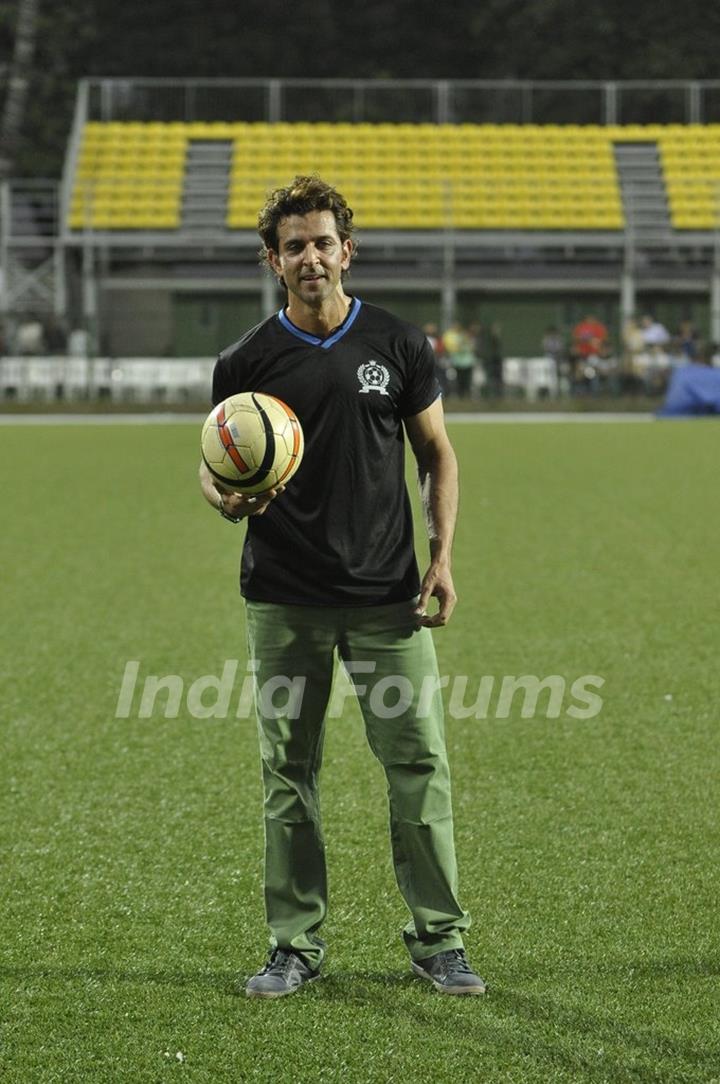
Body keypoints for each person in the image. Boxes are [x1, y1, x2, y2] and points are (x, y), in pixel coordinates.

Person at [198, 176, 484, 999]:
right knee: (288, 772)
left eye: (324, 242)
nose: (311, 257)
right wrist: (231, 500)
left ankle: (441, 941)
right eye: (295, 246)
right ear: (273, 260)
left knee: (418, 763)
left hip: (388, 598)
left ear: (346, 251)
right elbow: (214, 471)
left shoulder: (396, 343)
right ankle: (295, 945)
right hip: (284, 599)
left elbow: (438, 455)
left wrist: (441, 556)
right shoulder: (247, 361)